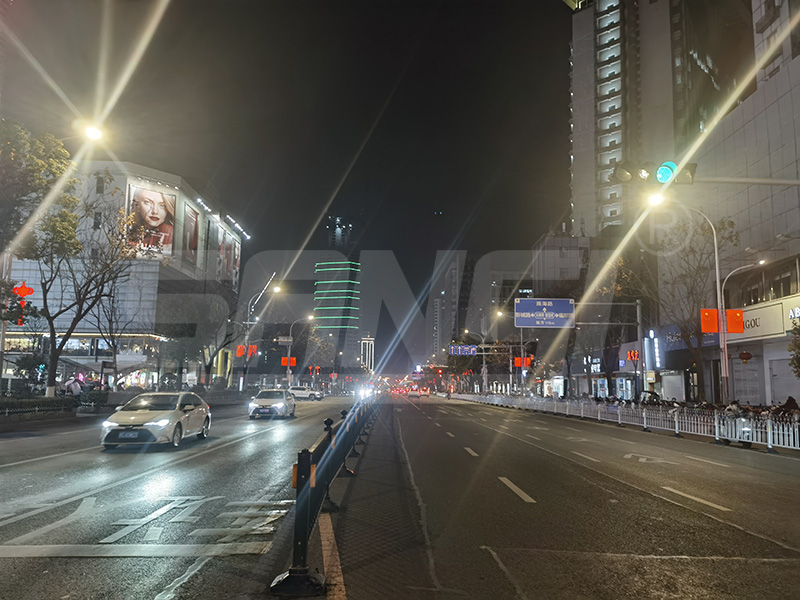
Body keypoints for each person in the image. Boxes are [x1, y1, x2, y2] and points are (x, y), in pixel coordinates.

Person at [129, 187, 175, 254]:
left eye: (162, 206)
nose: (155, 211)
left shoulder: (170, 233)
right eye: (148, 202)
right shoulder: (131, 230)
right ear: (137, 204)